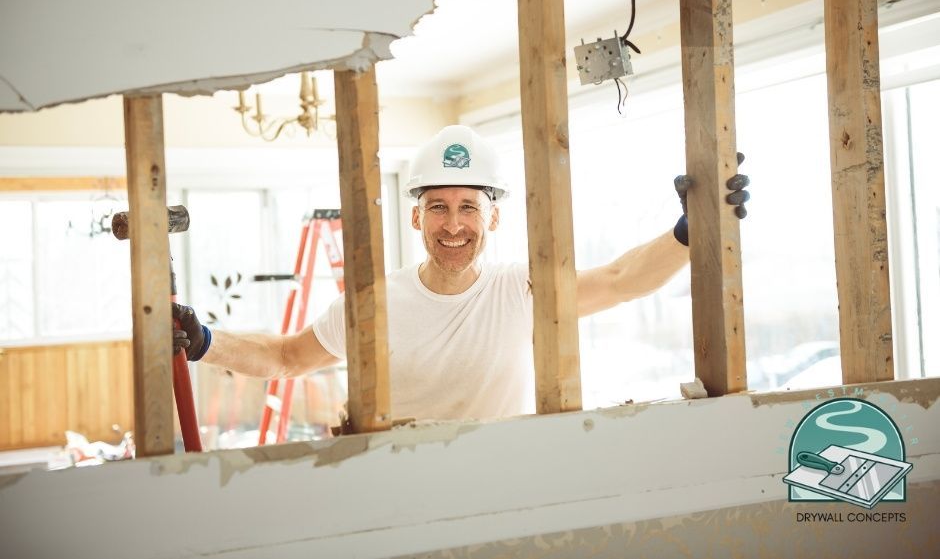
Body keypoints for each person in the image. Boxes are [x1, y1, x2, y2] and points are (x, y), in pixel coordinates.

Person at [173, 125, 748, 421]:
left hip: (504, 493)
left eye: (468, 207)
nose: (453, 226)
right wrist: (204, 343)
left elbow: (623, 279)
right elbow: (287, 358)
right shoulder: (376, 303)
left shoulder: (521, 289)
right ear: (416, 213)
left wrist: (690, 232)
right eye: (439, 207)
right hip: (403, 492)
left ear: (492, 216)